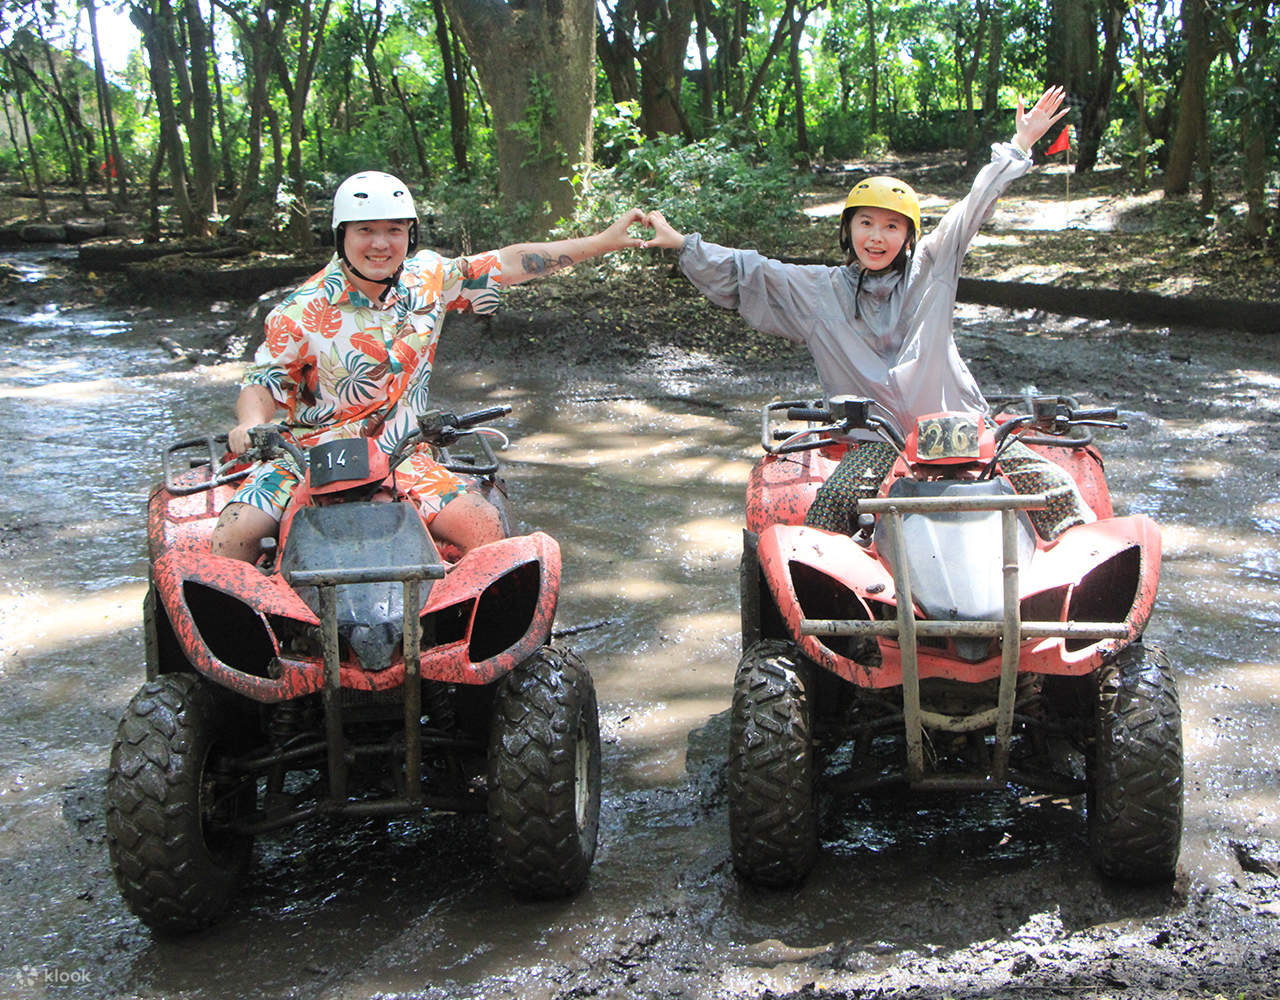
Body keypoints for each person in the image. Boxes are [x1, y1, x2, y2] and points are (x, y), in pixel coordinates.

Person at [641, 86, 1091, 540]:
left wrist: (1019, 145)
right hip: (877, 439)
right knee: (832, 509)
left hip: (956, 428)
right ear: (848, 230)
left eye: (892, 226)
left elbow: (970, 210)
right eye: (866, 223)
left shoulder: (933, 267)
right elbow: (750, 273)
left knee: (1054, 488)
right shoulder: (821, 290)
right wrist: (682, 244)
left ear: (909, 236)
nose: (877, 237)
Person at [212, 170, 644, 562]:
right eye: (366, 230)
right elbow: (263, 383)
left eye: (393, 231)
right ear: (341, 235)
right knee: (234, 536)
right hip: (307, 457)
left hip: (402, 453)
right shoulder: (300, 310)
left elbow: (511, 262)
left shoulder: (428, 278)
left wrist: (606, 240)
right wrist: (250, 424)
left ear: (410, 235)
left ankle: (464, 637)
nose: (380, 244)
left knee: (484, 525)